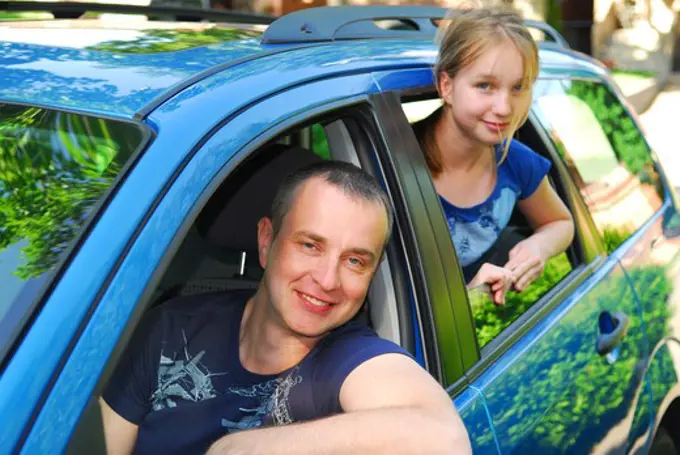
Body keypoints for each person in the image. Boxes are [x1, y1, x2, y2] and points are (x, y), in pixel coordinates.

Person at [100, 161, 472, 455]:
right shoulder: (171, 326)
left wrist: (240, 449)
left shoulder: (349, 360)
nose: (328, 280)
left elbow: (443, 439)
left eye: (355, 261)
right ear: (267, 241)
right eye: (310, 245)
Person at [413, 7, 574, 306]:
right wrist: (469, 294)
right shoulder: (397, 163)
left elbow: (561, 223)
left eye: (518, 87)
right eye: (485, 86)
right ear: (446, 86)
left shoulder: (517, 163)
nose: (504, 107)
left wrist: (538, 247)